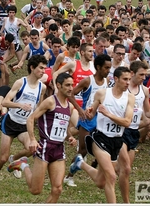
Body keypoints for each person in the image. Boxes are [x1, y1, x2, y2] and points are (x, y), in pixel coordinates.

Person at [68, 66, 135, 203]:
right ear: (116, 79)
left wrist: (108, 114)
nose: (128, 82)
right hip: (101, 138)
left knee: (100, 181)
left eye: (129, 79)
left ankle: (80, 163)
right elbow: (91, 115)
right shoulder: (102, 94)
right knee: (111, 176)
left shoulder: (129, 98)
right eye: (125, 79)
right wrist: (88, 113)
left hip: (117, 140)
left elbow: (127, 122)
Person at [7, 73, 77, 203]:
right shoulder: (50, 101)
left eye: (72, 85)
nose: (71, 88)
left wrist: (70, 137)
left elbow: (64, 124)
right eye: (67, 85)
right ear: (58, 85)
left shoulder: (70, 106)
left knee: (57, 189)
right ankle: (23, 165)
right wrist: (33, 139)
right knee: (35, 190)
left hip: (59, 149)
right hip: (45, 147)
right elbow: (31, 119)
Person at [0, 55, 47, 187]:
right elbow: (5, 102)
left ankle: (14, 159)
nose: (43, 71)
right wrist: (20, 105)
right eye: (41, 68)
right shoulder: (21, 83)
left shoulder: (42, 88)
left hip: (25, 125)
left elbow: (39, 108)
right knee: (2, 158)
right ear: (32, 67)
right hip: (10, 122)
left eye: (45, 68)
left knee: (32, 149)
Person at [63, 54, 112, 187]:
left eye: (110, 68)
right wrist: (80, 110)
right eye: (106, 68)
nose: (108, 70)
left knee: (103, 146)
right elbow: (71, 94)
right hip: (87, 119)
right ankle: (68, 176)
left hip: (101, 118)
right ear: (98, 67)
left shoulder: (107, 81)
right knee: (83, 151)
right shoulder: (88, 81)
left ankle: (96, 163)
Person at [116, 61, 150, 203]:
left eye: (145, 75)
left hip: (134, 131)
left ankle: (97, 167)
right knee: (126, 169)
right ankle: (126, 202)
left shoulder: (144, 91)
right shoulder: (122, 89)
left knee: (119, 170)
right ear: (132, 73)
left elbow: (147, 112)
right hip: (121, 131)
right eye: (141, 74)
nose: (143, 78)